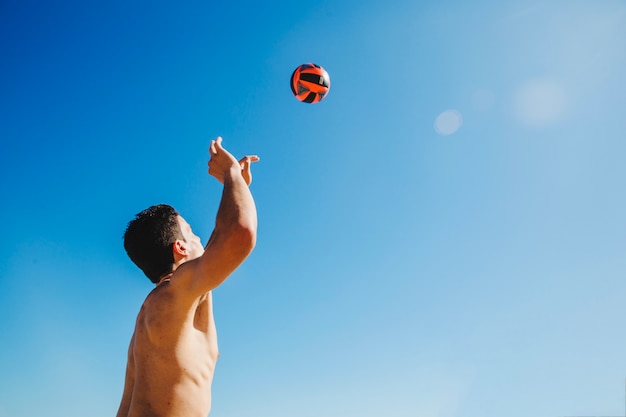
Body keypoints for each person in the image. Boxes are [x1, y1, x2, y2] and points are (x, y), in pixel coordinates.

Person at [117, 137, 259, 417]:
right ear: (180, 248)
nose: (200, 240)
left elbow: (217, 249)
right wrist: (230, 172)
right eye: (192, 232)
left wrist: (238, 187)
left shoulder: (154, 314)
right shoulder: (176, 292)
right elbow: (239, 235)